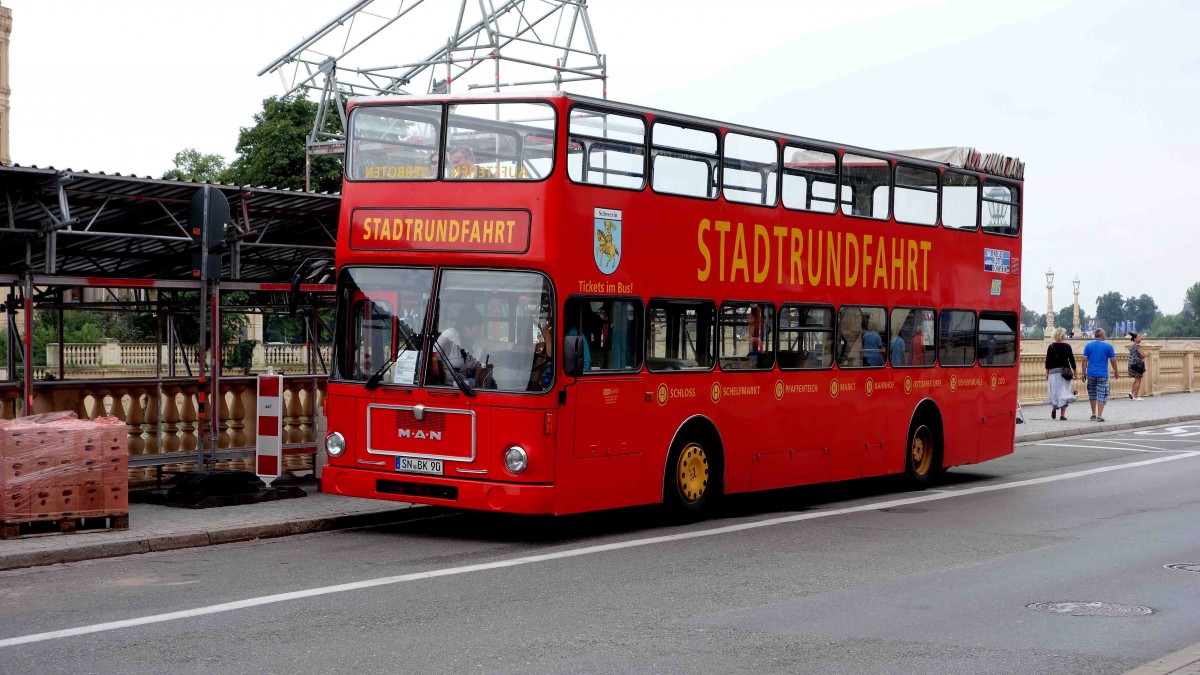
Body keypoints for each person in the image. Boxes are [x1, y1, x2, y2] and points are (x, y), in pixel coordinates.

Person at [435, 306, 487, 384]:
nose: (480, 331)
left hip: (466, 387)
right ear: (466, 327)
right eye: (478, 327)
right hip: (446, 388)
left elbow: (494, 345)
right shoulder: (449, 337)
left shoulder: (475, 340)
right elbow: (432, 362)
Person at [1082, 328, 1119, 422]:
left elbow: (1084, 360)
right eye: (1105, 334)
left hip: (1090, 373)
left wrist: (1083, 373)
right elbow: (1113, 361)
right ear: (1102, 335)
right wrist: (1116, 371)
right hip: (1102, 374)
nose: (1105, 336)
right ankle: (1099, 415)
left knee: (1092, 393)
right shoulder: (1108, 346)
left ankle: (1093, 414)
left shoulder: (1088, 345)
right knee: (1102, 393)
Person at [1044, 327, 1078, 420]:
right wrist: (1075, 371)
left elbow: (1047, 360)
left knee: (1054, 391)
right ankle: (1062, 415)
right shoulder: (1067, 346)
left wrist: (1046, 372)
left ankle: (1054, 407)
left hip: (1053, 372)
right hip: (1064, 372)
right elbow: (1071, 360)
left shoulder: (1051, 346)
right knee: (1064, 392)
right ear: (1062, 335)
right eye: (1065, 334)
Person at [1127, 332, 1147, 400]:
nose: (1140, 338)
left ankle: (1131, 392)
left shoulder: (1132, 346)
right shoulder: (1137, 346)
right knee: (1138, 380)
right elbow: (1143, 355)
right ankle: (1136, 396)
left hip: (1131, 364)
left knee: (1136, 380)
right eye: (1139, 337)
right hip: (1137, 365)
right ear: (1135, 339)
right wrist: (1141, 356)